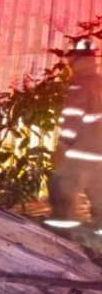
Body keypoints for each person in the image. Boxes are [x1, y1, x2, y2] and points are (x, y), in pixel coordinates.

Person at [45, 40, 102, 231]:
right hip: (100, 156)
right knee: (100, 201)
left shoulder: (80, 84)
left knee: (61, 192)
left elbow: (72, 117)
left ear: (77, 59)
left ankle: (62, 236)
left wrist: (62, 146)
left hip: (80, 154)